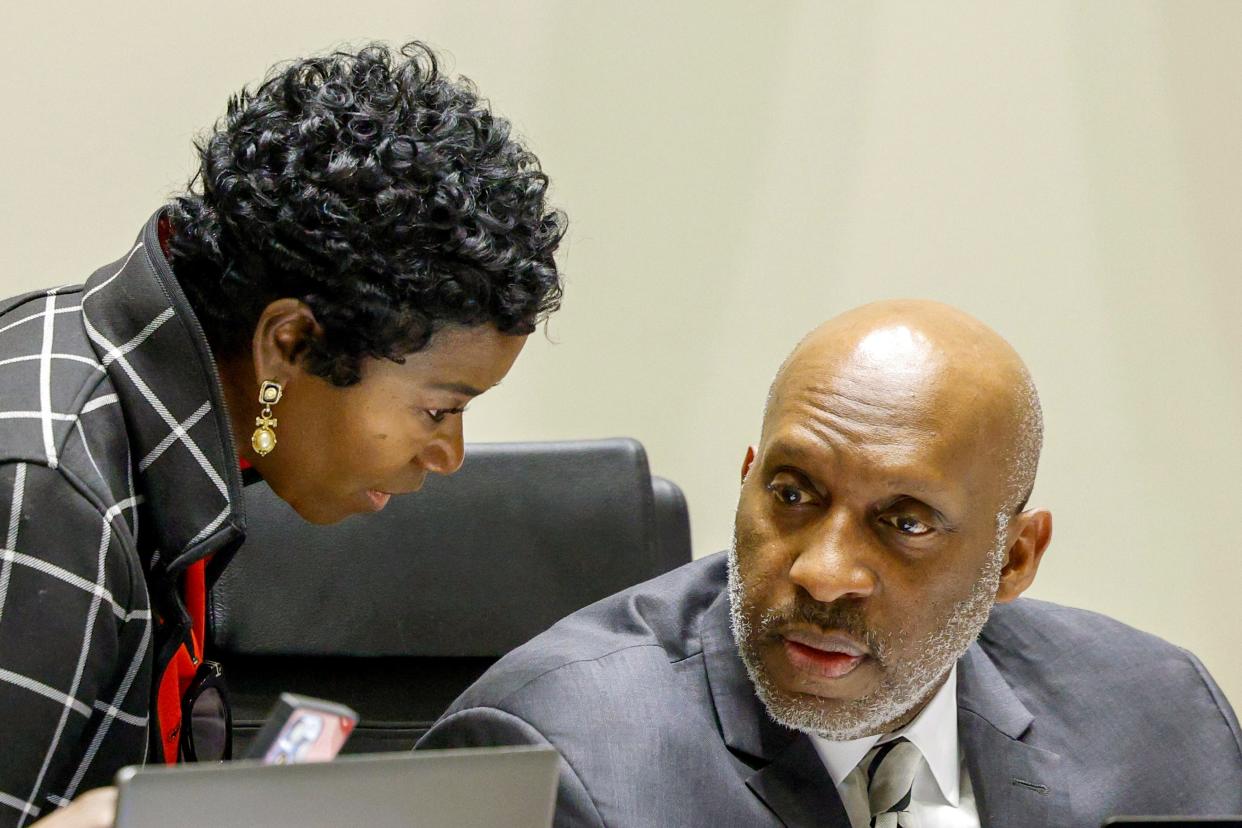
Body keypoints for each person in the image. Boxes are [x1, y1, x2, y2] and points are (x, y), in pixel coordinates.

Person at [0, 41, 564, 828]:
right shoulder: (52, 495)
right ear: (290, 343)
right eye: (438, 410)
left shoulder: (139, 407)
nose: (450, 456)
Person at [419, 300, 1242, 827]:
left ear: (1013, 560)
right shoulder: (559, 761)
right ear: (746, 479)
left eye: (905, 522)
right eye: (793, 493)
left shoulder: (1162, 721)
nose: (823, 571)